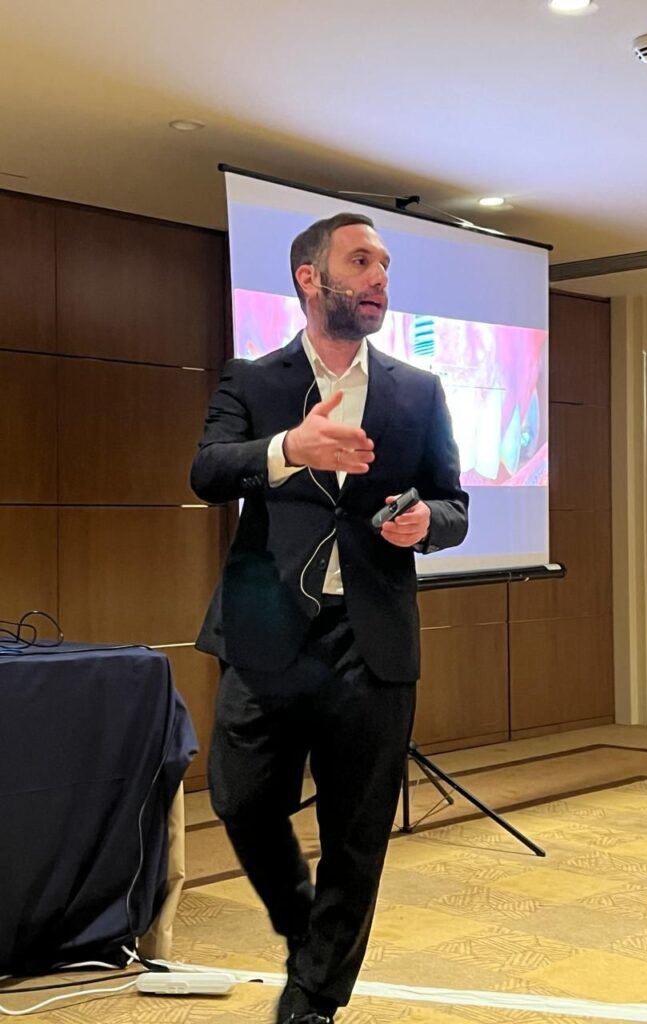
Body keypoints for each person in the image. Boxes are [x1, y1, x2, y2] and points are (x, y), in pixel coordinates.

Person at [191, 212, 469, 1024]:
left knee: (357, 831)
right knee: (240, 799)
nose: (379, 277)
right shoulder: (253, 379)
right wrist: (288, 450)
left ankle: (313, 998)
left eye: (384, 264)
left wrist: (428, 523)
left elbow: (452, 504)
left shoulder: (419, 390)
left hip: (370, 637)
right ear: (311, 279)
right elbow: (207, 471)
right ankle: (304, 925)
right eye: (361, 261)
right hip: (266, 631)